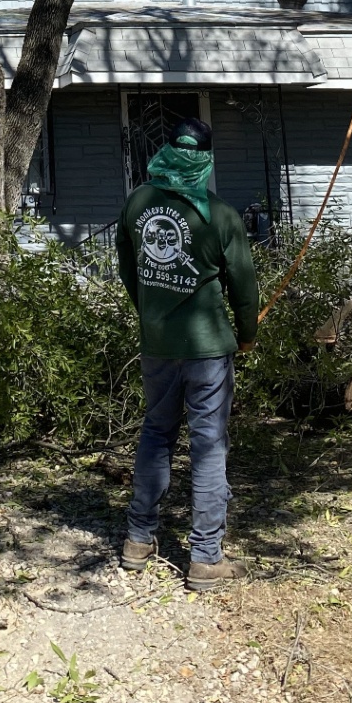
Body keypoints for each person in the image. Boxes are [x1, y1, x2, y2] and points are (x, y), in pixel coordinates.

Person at [115, 117, 259, 590]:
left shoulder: (137, 204)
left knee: (156, 435)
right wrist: (248, 334)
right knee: (208, 448)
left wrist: (151, 317)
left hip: (158, 347)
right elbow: (244, 291)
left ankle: (138, 539)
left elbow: (129, 271)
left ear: (167, 156)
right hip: (208, 353)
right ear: (204, 161)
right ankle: (205, 557)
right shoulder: (221, 217)